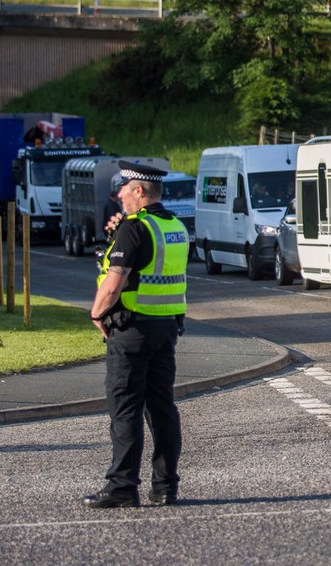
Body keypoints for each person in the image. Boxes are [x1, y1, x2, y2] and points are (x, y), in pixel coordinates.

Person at [83, 162, 189, 509]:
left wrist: (97, 312)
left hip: (131, 331)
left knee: (125, 411)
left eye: (124, 189)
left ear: (139, 191)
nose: (119, 195)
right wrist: (120, 232)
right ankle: (165, 487)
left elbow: (114, 283)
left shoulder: (135, 227)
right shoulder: (174, 226)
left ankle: (122, 487)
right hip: (165, 329)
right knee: (162, 410)